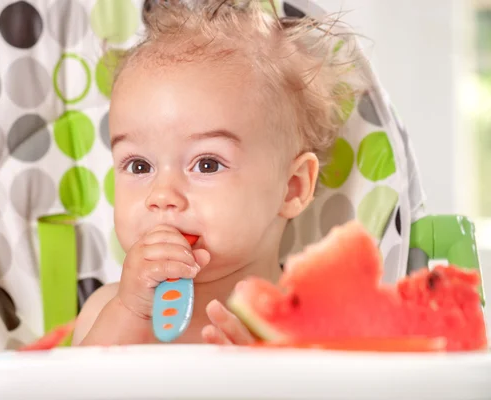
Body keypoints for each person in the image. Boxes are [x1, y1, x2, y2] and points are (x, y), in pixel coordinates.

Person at [72, 0, 362, 346]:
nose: (162, 195)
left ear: (292, 188)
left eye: (207, 164)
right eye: (140, 166)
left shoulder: (315, 325)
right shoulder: (107, 311)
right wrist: (129, 313)